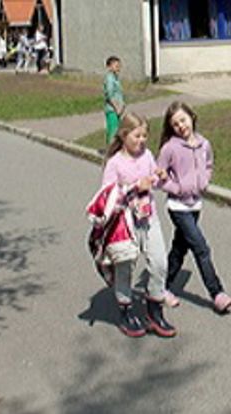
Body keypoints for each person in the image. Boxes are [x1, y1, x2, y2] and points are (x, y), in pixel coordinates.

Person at [88, 112, 178, 338]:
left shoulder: (147, 155)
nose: (142, 141)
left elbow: (154, 181)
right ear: (124, 135)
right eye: (137, 136)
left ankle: (154, 311)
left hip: (149, 218)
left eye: (145, 136)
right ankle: (126, 311)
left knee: (159, 262)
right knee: (125, 268)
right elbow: (107, 195)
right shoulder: (115, 163)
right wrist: (135, 186)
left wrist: (159, 176)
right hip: (124, 224)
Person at [155, 102, 231, 314]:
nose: (180, 126)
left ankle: (160, 286)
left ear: (191, 117)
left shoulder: (203, 144)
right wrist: (177, 188)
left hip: (195, 204)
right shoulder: (170, 148)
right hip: (177, 207)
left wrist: (205, 181)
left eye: (183, 120)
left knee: (179, 250)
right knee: (201, 248)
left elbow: (208, 164)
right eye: (175, 124)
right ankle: (217, 293)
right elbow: (158, 177)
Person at [103, 56, 126, 145]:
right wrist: (117, 108)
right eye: (116, 66)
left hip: (118, 109)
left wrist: (122, 105)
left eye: (119, 66)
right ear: (109, 67)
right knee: (113, 131)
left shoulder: (115, 78)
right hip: (112, 109)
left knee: (117, 130)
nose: (118, 68)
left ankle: (115, 148)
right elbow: (110, 95)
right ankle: (111, 150)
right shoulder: (109, 79)